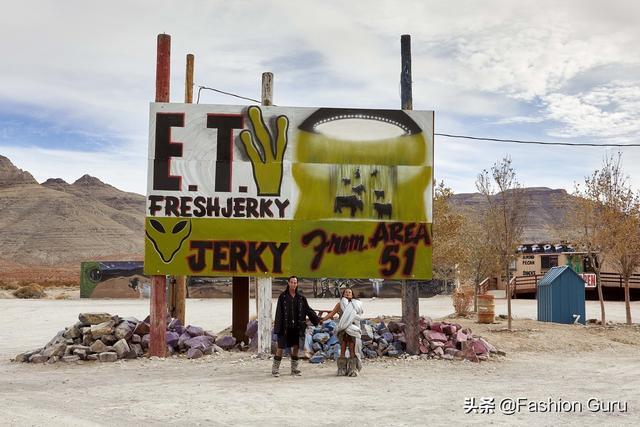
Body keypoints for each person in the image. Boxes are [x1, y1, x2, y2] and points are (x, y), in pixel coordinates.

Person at [272, 275, 321, 377]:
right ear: (288, 283)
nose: (293, 284)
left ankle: (294, 369)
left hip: (297, 327)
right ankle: (275, 369)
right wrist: (278, 328)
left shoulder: (301, 298)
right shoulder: (283, 297)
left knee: (296, 348)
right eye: (292, 282)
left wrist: (317, 320)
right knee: (280, 348)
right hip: (285, 327)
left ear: (297, 284)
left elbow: (308, 310)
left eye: (295, 282)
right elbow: (278, 313)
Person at [319, 287, 363, 377]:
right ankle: (341, 369)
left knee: (352, 349)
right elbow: (332, 314)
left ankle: (352, 369)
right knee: (342, 349)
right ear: (343, 294)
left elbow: (359, 316)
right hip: (343, 329)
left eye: (349, 292)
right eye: (346, 292)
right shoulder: (340, 304)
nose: (347, 293)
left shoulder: (356, 305)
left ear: (352, 295)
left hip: (352, 329)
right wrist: (322, 320)